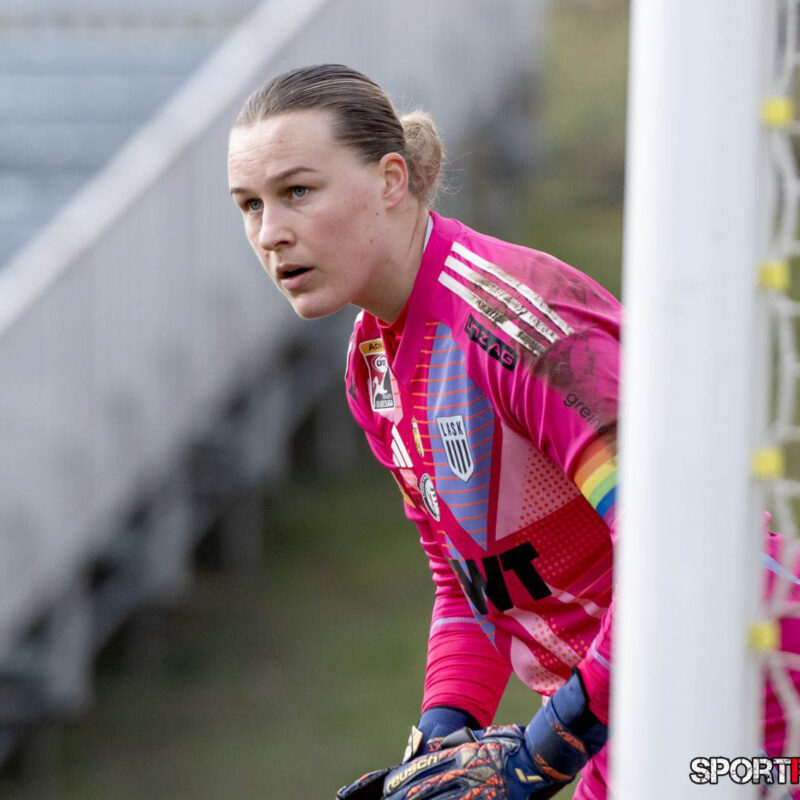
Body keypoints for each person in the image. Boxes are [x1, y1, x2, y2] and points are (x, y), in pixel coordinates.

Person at [227, 63, 799, 800]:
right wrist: (439, 743)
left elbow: (669, 548)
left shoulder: (517, 326)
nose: (270, 233)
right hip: (628, 720)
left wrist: (545, 749)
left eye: (297, 192)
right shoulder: (372, 368)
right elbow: (469, 587)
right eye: (249, 205)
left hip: (755, 697)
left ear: (391, 181)